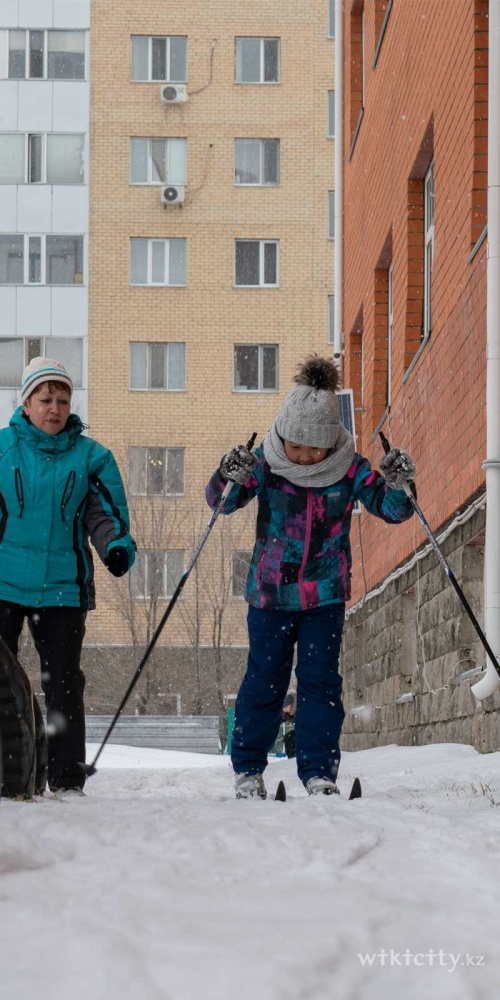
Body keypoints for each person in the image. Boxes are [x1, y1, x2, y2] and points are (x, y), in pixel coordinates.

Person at [206, 354, 416, 798]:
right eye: (295, 445)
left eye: (312, 449)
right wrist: (228, 473)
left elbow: (394, 510)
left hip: (324, 595)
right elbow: (222, 503)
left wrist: (398, 483)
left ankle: (319, 771)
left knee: (320, 682)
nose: (302, 457)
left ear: (331, 441)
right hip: (270, 596)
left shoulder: (349, 468)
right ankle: (248, 769)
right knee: (264, 680)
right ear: (282, 434)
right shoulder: (266, 462)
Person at [0, 357, 136, 795]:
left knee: (62, 684)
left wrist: (116, 546)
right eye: (45, 399)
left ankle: (66, 779)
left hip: (62, 588)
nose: (54, 408)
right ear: (25, 403)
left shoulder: (91, 457)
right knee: (2, 685)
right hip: (3, 583)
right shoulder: (2, 450)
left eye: (62, 399)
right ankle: (7, 770)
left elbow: (105, 515)